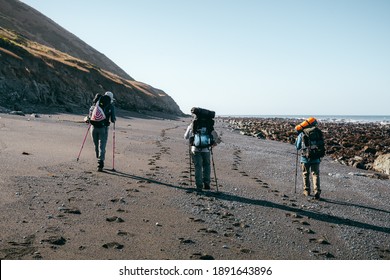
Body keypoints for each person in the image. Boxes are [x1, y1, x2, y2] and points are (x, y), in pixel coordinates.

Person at [184, 108, 220, 191]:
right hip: (206, 149)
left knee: (198, 167)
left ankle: (199, 185)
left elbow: (185, 136)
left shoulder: (192, 125)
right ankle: (207, 183)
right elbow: (216, 138)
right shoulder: (209, 125)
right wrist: (214, 143)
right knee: (207, 165)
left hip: (195, 149)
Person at [295, 117, 325, 200]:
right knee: (315, 174)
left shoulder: (302, 134)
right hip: (316, 157)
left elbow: (297, 147)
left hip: (305, 157)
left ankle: (306, 191)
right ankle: (317, 191)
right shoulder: (317, 132)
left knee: (305, 174)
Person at [87, 91, 116, 171]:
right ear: (110, 98)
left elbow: (89, 115)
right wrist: (113, 119)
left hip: (93, 127)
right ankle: (100, 163)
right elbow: (113, 119)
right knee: (102, 146)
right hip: (103, 128)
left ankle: (98, 158)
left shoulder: (95, 104)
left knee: (96, 145)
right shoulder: (110, 106)